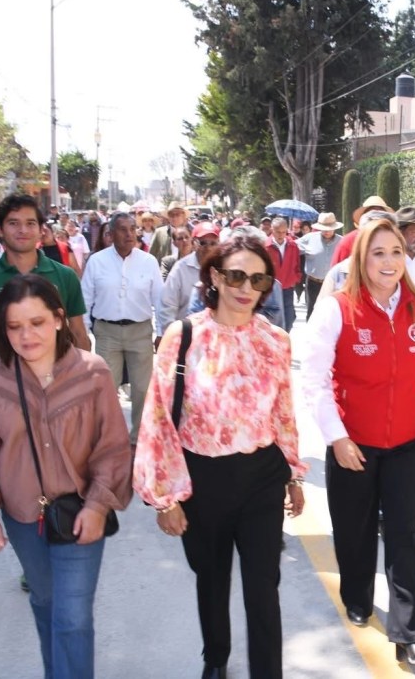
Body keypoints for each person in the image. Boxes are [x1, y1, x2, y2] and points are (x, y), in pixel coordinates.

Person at [135, 235, 306, 679]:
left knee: (263, 585)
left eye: (257, 278)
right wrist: (165, 497)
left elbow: (284, 411)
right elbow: (157, 415)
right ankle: (216, 659)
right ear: (214, 276)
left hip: (261, 476)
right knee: (211, 579)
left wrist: (294, 474)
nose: (245, 287)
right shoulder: (184, 335)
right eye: (235, 275)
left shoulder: (276, 341)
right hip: (202, 478)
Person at [0, 274, 133, 679]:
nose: (26, 335)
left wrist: (97, 506)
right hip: (23, 517)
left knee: (72, 617)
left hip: (79, 514)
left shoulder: (92, 373)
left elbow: (112, 446)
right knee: (45, 604)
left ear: (59, 319)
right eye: (14, 326)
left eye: (37, 322)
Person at [302, 217, 415, 666]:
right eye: (378, 253)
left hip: (406, 442)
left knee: (403, 536)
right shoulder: (338, 308)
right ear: (361, 260)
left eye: (396, 252)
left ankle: (413, 630)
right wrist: (337, 437)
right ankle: (357, 596)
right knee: (354, 533)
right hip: (353, 445)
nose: (389, 262)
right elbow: (315, 381)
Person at [0, 194, 91, 379]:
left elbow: (79, 332)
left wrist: (82, 381)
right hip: (4, 383)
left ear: (41, 230)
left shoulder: (65, 276)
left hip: (56, 381)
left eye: (31, 223)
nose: (23, 230)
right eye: (14, 223)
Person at [81, 212, 163, 446]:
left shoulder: (148, 262)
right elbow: (85, 298)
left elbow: (160, 299)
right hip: (107, 333)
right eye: (123, 230)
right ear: (111, 234)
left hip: (140, 332)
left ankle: (139, 440)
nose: (129, 234)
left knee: (142, 389)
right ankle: (110, 441)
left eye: (132, 229)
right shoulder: (97, 261)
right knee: (106, 389)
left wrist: (162, 332)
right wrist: (84, 332)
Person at [159, 222, 221, 339]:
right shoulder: (180, 269)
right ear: (194, 243)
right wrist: (173, 338)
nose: (208, 248)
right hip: (186, 337)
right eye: (203, 243)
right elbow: (167, 306)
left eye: (213, 243)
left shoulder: (224, 269)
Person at [295, 212, 343, 318]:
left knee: (331, 314)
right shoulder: (309, 239)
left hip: (334, 284)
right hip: (313, 283)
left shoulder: (342, 242)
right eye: (324, 228)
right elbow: (292, 248)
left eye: (329, 228)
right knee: (312, 312)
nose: (326, 231)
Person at [330, 195, 394, 265]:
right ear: (364, 218)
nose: (376, 218)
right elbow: (336, 272)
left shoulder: (393, 240)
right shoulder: (348, 241)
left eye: (380, 215)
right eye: (371, 215)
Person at [266, 217, 301, 332]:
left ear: (287, 230)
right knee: (273, 317)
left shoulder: (293, 245)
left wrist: (295, 278)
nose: (280, 235)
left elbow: (297, 264)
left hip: (287, 286)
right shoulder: (265, 246)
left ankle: (285, 337)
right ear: (272, 230)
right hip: (271, 288)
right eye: (277, 231)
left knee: (289, 316)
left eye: (283, 232)